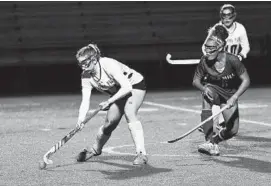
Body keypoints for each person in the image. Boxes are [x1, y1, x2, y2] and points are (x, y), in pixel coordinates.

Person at [75, 43, 148, 165]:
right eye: (80, 64)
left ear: (93, 59)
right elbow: (85, 100)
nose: (82, 67)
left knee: (129, 112)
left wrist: (109, 101)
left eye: (84, 63)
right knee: (110, 123)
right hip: (119, 92)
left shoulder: (108, 64)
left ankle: (141, 153)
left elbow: (127, 87)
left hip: (134, 85)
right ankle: (95, 149)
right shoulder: (86, 76)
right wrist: (80, 120)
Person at [193, 25, 250, 155]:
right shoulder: (204, 61)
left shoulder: (233, 60)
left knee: (232, 130)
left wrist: (234, 97)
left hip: (230, 94)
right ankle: (208, 142)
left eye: (211, 48)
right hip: (214, 90)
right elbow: (196, 81)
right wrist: (203, 88)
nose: (207, 51)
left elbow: (246, 81)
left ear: (220, 48)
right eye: (206, 47)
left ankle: (214, 141)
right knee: (208, 90)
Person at [200, 4, 250, 132]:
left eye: (229, 15)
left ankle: (223, 122)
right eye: (224, 15)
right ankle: (209, 123)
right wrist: (209, 56)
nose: (226, 18)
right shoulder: (217, 29)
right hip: (217, 66)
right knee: (212, 92)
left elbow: (246, 47)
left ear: (234, 15)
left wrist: (240, 55)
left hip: (232, 67)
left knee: (229, 94)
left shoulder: (240, 29)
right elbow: (205, 45)